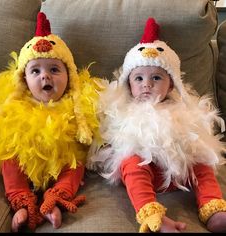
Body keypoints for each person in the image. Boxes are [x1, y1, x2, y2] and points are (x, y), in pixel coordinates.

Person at [86, 17, 226, 233]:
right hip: (144, 171)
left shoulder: (182, 108)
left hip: (178, 172)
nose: (147, 84)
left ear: (171, 85)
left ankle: (213, 207)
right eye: (138, 78)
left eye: (157, 78)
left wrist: (194, 148)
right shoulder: (122, 110)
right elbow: (110, 141)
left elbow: (198, 141)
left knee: (202, 162)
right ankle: (151, 214)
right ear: (128, 84)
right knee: (130, 162)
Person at [0, 12, 102, 232]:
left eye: (54, 69)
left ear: (69, 76)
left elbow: (88, 135)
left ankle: (57, 198)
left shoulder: (75, 102)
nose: (45, 76)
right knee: (9, 157)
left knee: (76, 165)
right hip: (25, 160)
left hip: (61, 162)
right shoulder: (16, 103)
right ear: (24, 80)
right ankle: (21, 201)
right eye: (36, 70)